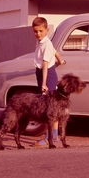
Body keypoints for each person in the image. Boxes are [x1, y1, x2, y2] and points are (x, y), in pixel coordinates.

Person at [32, 16, 65, 147]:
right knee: (52, 108)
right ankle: (54, 136)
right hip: (43, 74)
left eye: (40, 31)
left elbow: (45, 65)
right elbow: (55, 52)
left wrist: (44, 84)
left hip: (47, 75)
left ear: (47, 30)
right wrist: (60, 60)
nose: (38, 34)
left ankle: (48, 137)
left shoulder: (45, 44)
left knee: (48, 109)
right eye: (35, 31)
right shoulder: (44, 42)